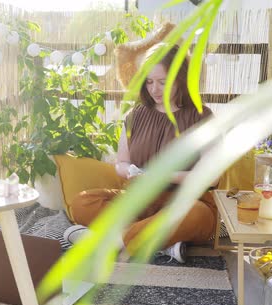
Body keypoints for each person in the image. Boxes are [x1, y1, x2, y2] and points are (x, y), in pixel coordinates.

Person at [63, 43, 218, 263]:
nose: (155, 89)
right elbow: (121, 162)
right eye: (150, 81)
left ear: (181, 79)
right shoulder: (136, 115)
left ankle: (113, 241)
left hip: (184, 202)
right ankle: (162, 244)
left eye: (163, 82)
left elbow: (212, 177)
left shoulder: (202, 117)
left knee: (196, 214)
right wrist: (131, 171)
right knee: (83, 202)